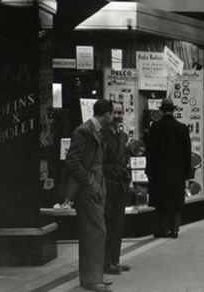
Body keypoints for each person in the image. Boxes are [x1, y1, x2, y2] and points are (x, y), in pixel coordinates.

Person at [65, 98, 114, 291]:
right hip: (89, 190)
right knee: (95, 232)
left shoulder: (95, 131)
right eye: (112, 113)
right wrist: (88, 181)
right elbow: (72, 161)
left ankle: (94, 276)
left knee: (95, 232)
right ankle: (93, 279)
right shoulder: (84, 131)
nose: (114, 116)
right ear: (107, 114)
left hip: (96, 188)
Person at [146, 99, 191, 238]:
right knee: (175, 201)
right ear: (174, 110)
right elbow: (187, 153)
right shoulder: (182, 128)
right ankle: (175, 229)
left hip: (160, 172)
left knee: (161, 202)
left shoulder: (155, 127)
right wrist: (187, 174)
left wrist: (149, 170)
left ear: (161, 110)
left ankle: (162, 228)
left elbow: (150, 151)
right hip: (177, 172)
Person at [102, 101, 132, 276]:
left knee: (118, 224)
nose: (118, 116)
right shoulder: (101, 135)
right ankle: (106, 262)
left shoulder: (123, 136)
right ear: (109, 114)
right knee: (108, 223)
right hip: (108, 182)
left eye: (121, 113)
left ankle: (115, 259)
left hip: (121, 183)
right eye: (115, 113)